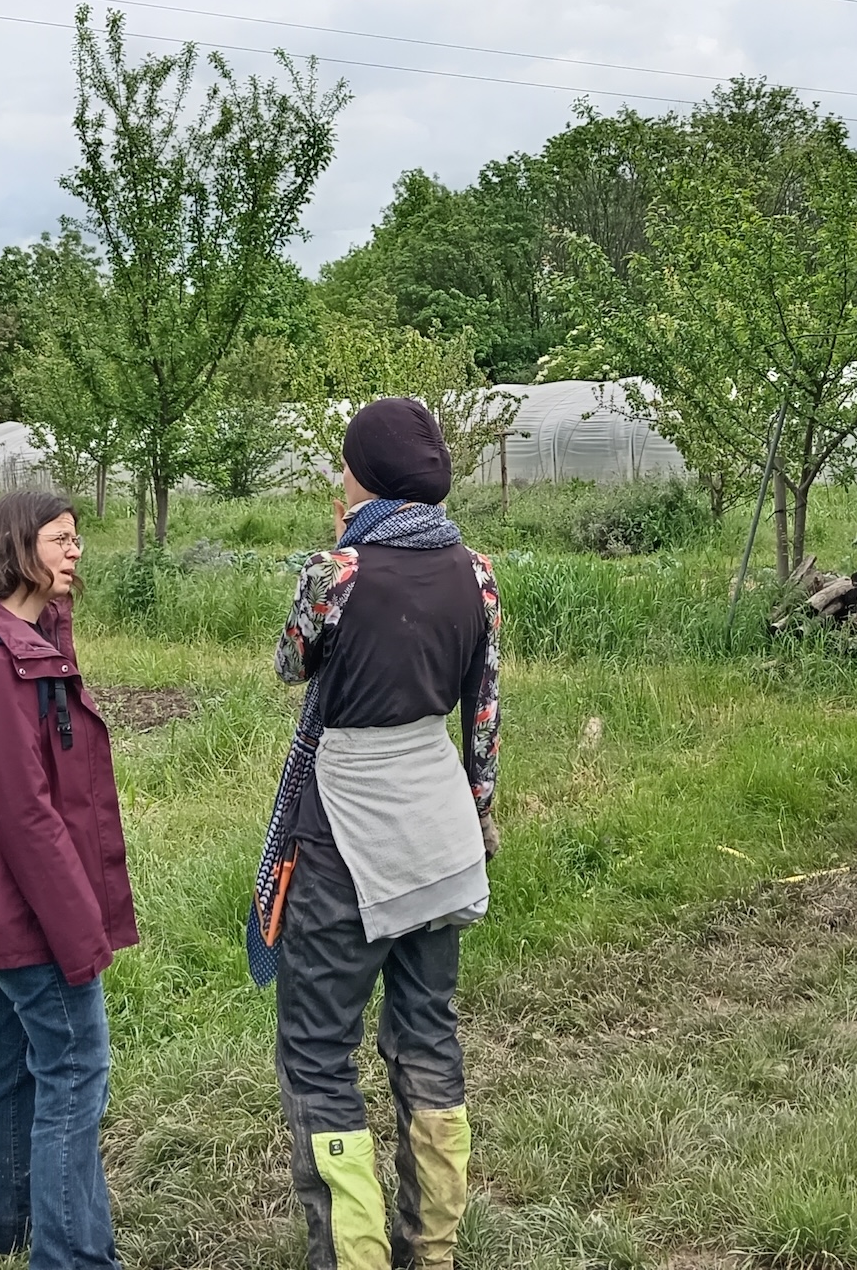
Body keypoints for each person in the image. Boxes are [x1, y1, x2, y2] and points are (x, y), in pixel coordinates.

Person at [253, 398, 502, 1270]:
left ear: (367, 474)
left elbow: (292, 661)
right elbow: (486, 713)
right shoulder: (474, 572)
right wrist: (482, 814)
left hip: (346, 834)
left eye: (348, 463)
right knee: (428, 1031)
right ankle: (431, 1249)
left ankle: (354, 1258)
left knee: (319, 1052)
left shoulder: (339, 571)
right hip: (438, 824)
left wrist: (341, 544)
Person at [0, 491, 138, 1270]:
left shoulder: (12, 644)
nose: (75, 551)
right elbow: (27, 817)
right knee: (76, 1071)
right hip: (24, 911)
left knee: (13, 1053)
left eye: (77, 539)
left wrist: (57, 620)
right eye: (60, 540)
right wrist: (80, 933)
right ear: (17, 547)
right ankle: (73, 1257)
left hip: (3, 904)